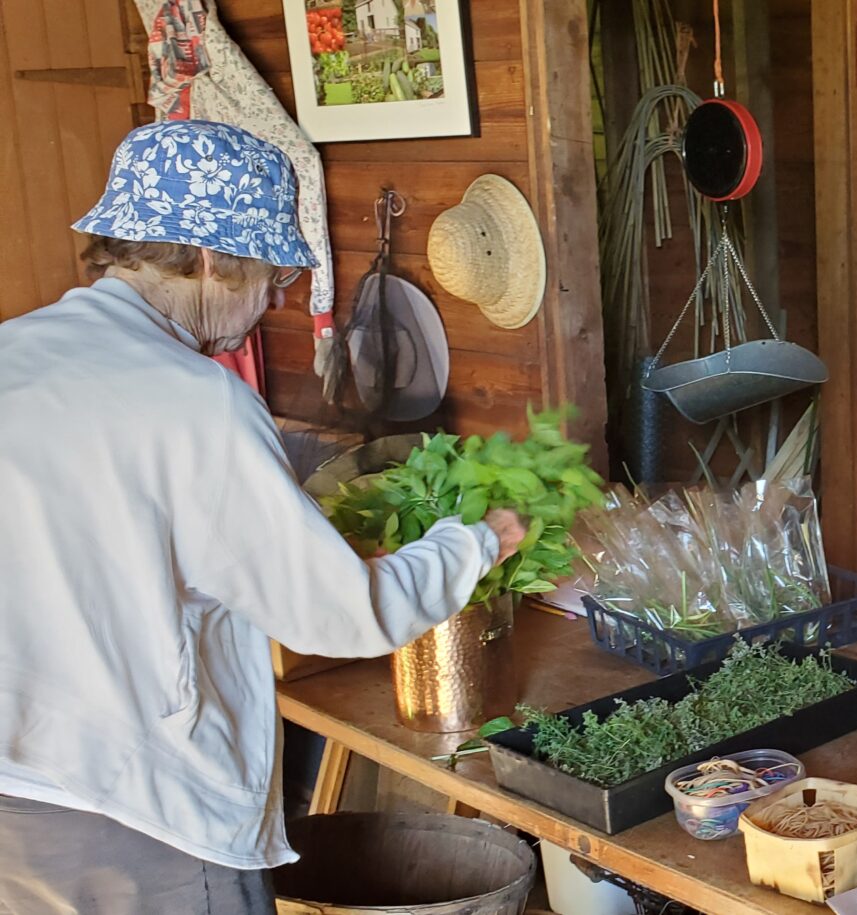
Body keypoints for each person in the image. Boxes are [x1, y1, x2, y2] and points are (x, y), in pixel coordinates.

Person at [0, 120, 526, 914]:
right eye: (272, 274)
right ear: (212, 260)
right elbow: (342, 614)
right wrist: (474, 542)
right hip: (142, 812)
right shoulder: (195, 402)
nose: (276, 295)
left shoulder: (14, 355)